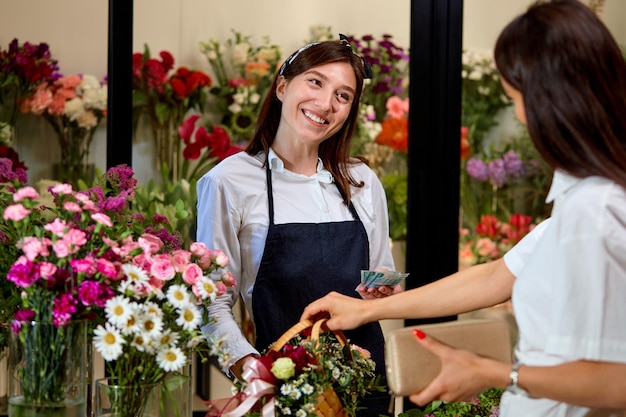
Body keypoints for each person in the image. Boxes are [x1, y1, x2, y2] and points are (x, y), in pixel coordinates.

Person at [301, 1, 626, 415]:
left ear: (550, 100)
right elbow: (495, 277)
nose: (522, 117)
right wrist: (368, 309)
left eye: (515, 98)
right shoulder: (587, 200)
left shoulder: (595, 209)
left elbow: (617, 381)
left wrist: (491, 371)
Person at [197, 36, 400, 416]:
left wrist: (382, 290)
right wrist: (253, 371)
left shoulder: (361, 180)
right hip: (288, 388)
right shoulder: (228, 181)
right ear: (281, 86)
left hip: (367, 380)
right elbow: (212, 303)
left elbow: (381, 271)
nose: (325, 104)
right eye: (315, 82)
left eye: (343, 95)